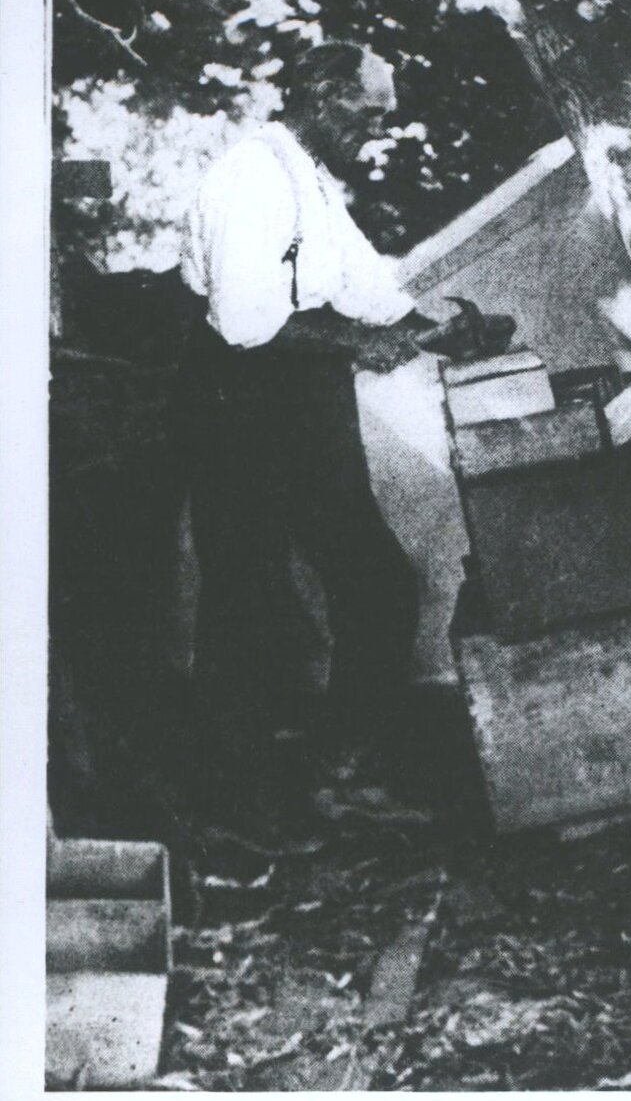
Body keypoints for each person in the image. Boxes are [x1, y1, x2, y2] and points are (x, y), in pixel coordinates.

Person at [175, 41, 476, 820]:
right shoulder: (251, 174)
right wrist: (360, 344)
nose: (375, 131)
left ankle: (339, 768)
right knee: (246, 596)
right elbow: (245, 323)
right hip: (240, 404)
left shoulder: (311, 181)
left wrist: (442, 328)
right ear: (320, 94)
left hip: (307, 402)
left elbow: (364, 287)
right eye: (368, 113)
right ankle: (233, 807)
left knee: (373, 580)